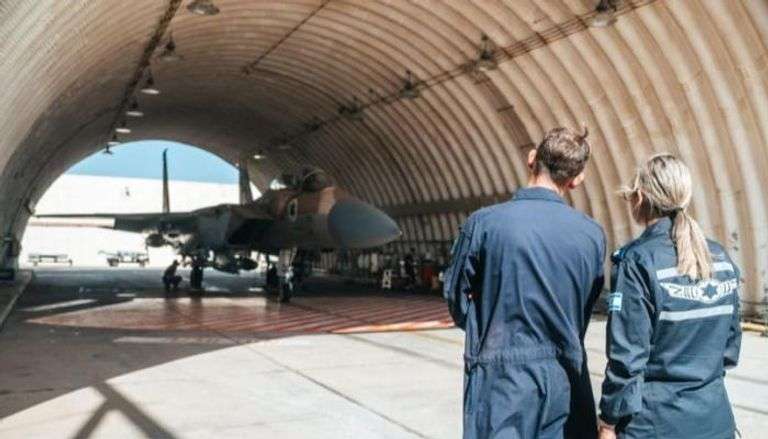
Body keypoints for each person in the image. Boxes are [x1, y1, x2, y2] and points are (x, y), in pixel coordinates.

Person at [444, 126, 606, 439]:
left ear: (532, 159)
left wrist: (486, 329)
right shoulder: (591, 234)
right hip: (566, 380)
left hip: (502, 382)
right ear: (577, 180)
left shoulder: (484, 224)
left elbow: (456, 298)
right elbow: (587, 304)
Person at [598, 154, 742, 439]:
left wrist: (608, 422)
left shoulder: (637, 262)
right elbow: (729, 349)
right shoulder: (720, 259)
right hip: (714, 420)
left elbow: (627, 357)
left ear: (640, 197)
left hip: (655, 424)